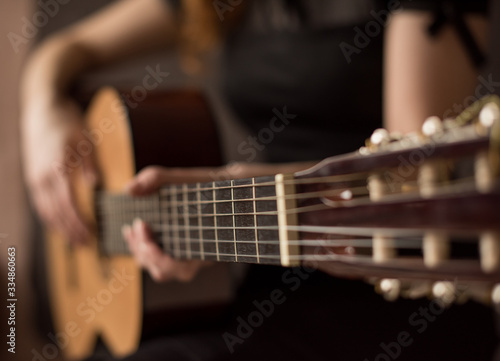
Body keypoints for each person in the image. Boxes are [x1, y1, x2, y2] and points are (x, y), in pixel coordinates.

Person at [21, 0, 497, 360]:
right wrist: (42, 111)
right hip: (266, 257)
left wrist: (227, 197)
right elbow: (64, 50)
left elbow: (408, 178)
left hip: (396, 285)